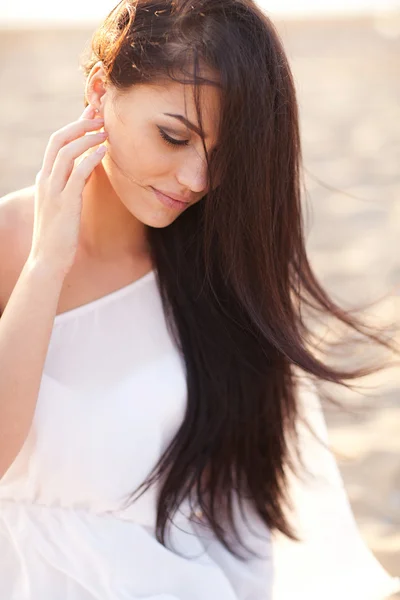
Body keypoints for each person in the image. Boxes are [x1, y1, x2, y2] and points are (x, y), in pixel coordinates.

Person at [0, 0, 399, 598]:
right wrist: (46, 265)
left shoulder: (216, 270)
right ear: (100, 88)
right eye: (173, 136)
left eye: (223, 158)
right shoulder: (10, 244)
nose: (195, 180)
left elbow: (241, 519)